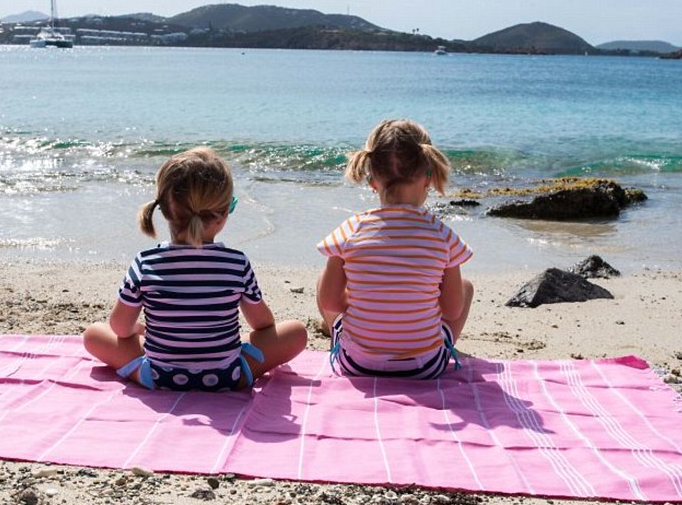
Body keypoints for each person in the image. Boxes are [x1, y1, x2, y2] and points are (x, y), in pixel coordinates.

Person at [84, 147, 307, 391]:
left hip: (159, 376)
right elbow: (262, 325)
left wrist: (141, 330)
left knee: (94, 334)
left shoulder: (145, 262)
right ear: (223, 215)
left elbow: (119, 328)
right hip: (227, 376)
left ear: (164, 209)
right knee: (295, 332)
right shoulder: (236, 263)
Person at [316, 119, 474, 379]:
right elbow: (452, 310)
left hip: (357, 363)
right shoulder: (442, 235)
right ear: (429, 177)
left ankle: (339, 331)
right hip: (425, 367)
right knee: (464, 287)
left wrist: (366, 302)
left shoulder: (350, 230)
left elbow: (330, 301)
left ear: (372, 181)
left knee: (326, 279)